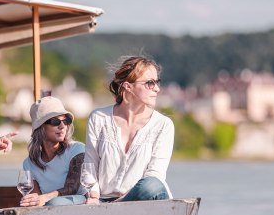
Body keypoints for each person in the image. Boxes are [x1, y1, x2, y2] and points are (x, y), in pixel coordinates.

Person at [83, 56, 174, 204]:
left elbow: (155, 175)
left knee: (151, 185)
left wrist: (116, 204)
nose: (157, 89)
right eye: (150, 83)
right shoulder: (98, 118)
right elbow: (90, 165)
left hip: (143, 197)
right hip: (101, 199)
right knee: (55, 204)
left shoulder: (163, 125)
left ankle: (114, 207)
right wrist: (93, 195)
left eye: (157, 82)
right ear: (128, 86)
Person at [19, 96, 86, 207]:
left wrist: (45, 198)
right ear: (40, 127)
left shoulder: (77, 150)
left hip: (79, 205)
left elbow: (72, 188)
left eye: (66, 121)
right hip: (49, 208)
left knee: (54, 203)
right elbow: (36, 196)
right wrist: (32, 200)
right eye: (55, 121)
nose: (62, 126)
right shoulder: (29, 163)